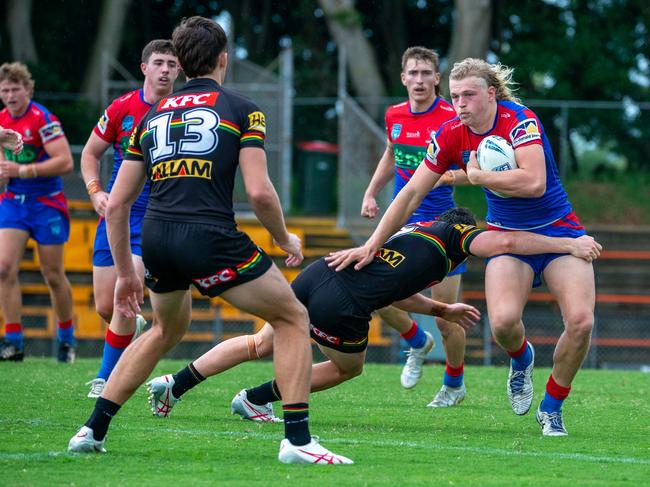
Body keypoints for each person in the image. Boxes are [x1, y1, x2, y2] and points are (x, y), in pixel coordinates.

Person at [68, 16, 352, 465]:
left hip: (156, 239)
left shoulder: (150, 115)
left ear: (179, 64)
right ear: (223, 59)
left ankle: (91, 429)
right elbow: (259, 192)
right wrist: (284, 238)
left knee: (165, 329)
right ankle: (298, 441)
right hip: (208, 237)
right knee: (293, 317)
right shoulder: (242, 109)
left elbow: (117, 204)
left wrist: (126, 273)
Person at [329, 58, 598, 437]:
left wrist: (477, 176)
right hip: (506, 236)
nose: (460, 104)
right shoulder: (450, 132)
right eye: (455, 96)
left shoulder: (520, 121)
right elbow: (409, 194)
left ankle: (552, 407)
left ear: (491, 93)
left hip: (561, 234)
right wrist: (372, 244)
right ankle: (522, 359)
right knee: (503, 325)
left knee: (581, 322)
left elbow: (535, 182)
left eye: (469, 95)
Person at [144, 208, 600, 425]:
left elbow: (393, 290)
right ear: (463, 228)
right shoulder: (458, 235)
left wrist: (440, 307)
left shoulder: (414, 233)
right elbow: (502, 244)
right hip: (341, 303)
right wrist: (566, 243)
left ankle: (175, 384)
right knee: (349, 367)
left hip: (321, 271)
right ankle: (257, 398)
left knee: (259, 343)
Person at [361, 46, 468, 405]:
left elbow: (477, 164)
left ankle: (454, 383)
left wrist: (451, 174)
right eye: (413, 73)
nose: (419, 80)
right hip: (402, 221)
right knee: (371, 289)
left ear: (437, 79)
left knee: (446, 317)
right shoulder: (394, 115)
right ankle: (416, 342)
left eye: (426, 73)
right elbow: (392, 153)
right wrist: (372, 191)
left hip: (442, 227)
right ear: (403, 78)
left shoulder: (454, 117)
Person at [81, 40, 180, 398]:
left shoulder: (180, 110)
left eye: (172, 63)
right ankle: (131, 330)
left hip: (155, 213)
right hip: (117, 213)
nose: (166, 69)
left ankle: (106, 378)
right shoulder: (122, 107)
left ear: (180, 70)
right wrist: (95, 192)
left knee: (128, 290)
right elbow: (90, 153)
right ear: (144, 67)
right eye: (159, 62)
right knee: (105, 306)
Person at [0, 62, 75, 363]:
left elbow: (65, 161)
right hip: (13, 202)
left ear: (28, 90)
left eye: (15, 89)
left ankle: (66, 339)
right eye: (4, 90)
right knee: (3, 268)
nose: (10, 95)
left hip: (47, 203)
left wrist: (23, 169)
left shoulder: (43, 120)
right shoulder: (2, 122)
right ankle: (13, 342)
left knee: (53, 274)